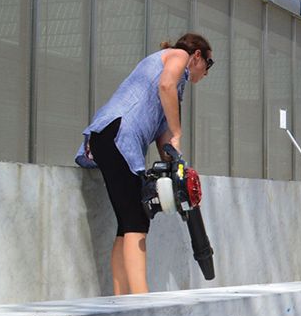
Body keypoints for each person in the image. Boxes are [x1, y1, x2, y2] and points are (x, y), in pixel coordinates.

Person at [75, 33, 214, 295]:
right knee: (137, 219)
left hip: (109, 138)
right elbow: (165, 86)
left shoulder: (177, 88)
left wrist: (177, 170)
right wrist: (178, 132)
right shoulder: (178, 56)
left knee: (127, 222)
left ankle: (121, 300)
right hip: (117, 134)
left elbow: (165, 141)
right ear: (197, 56)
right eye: (209, 63)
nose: (206, 72)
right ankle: (142, 301)